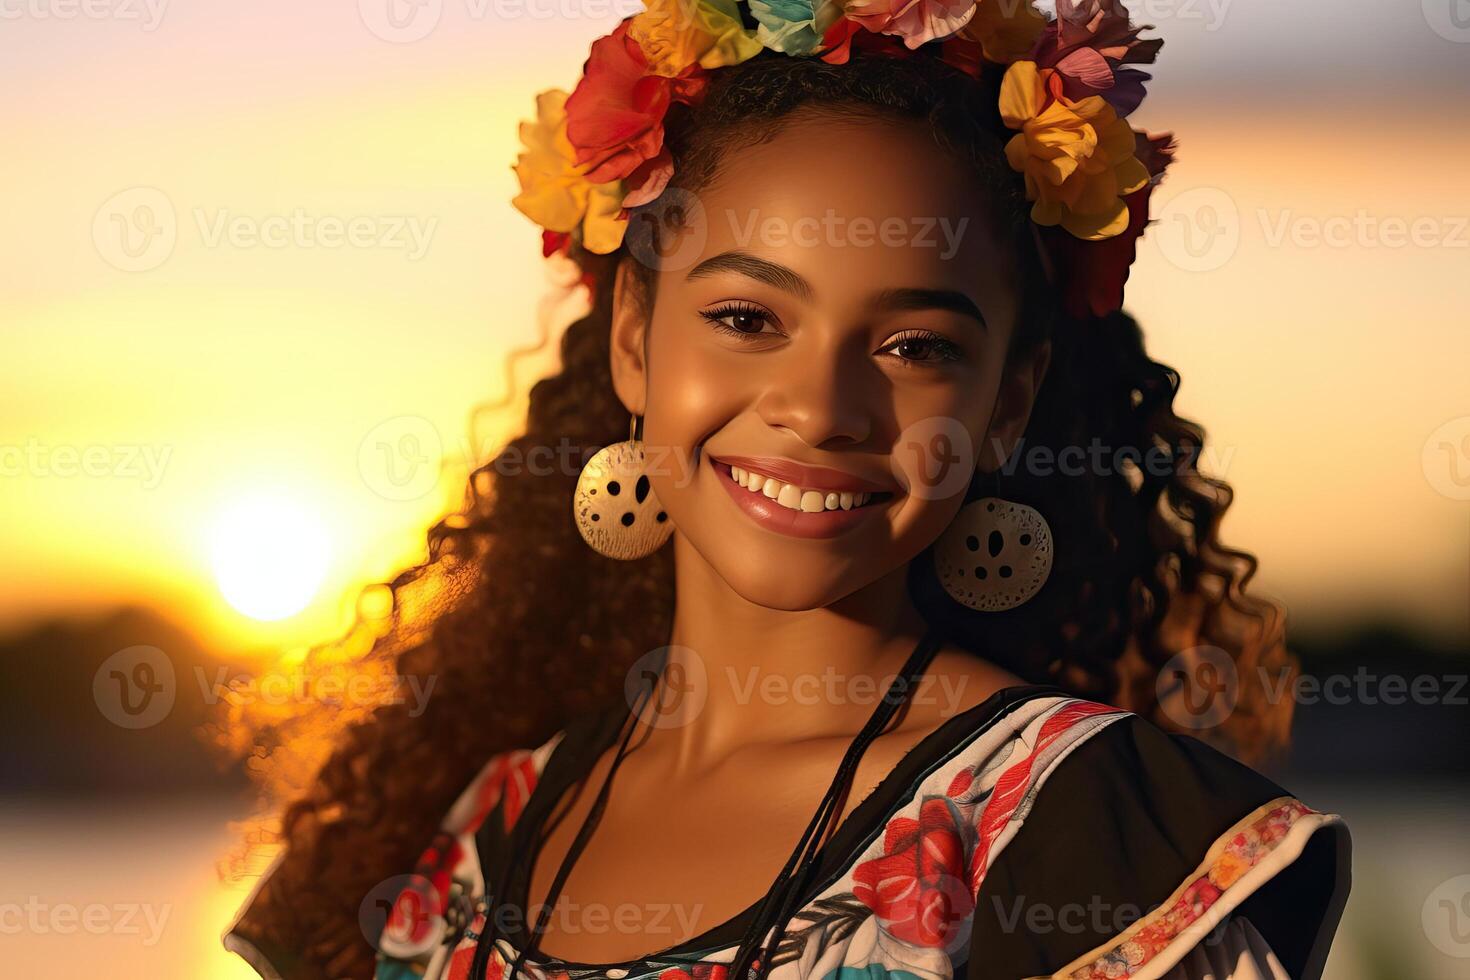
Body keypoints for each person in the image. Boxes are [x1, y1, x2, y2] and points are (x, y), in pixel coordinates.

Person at [222, 3, 1350, 978]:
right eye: (748, 318)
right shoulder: (467, 832)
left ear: (1007, 403)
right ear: (632, 336)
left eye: (915, 345)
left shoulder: (1096, 846)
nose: (820, 408)